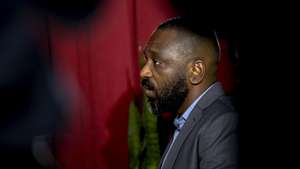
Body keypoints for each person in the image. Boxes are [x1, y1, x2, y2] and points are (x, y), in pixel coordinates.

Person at [140, 17, 238, 169]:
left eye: (157, 62)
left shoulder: (222, 122)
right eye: (146, 60)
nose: (144, 72)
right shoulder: (184, 120)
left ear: (196, 71)